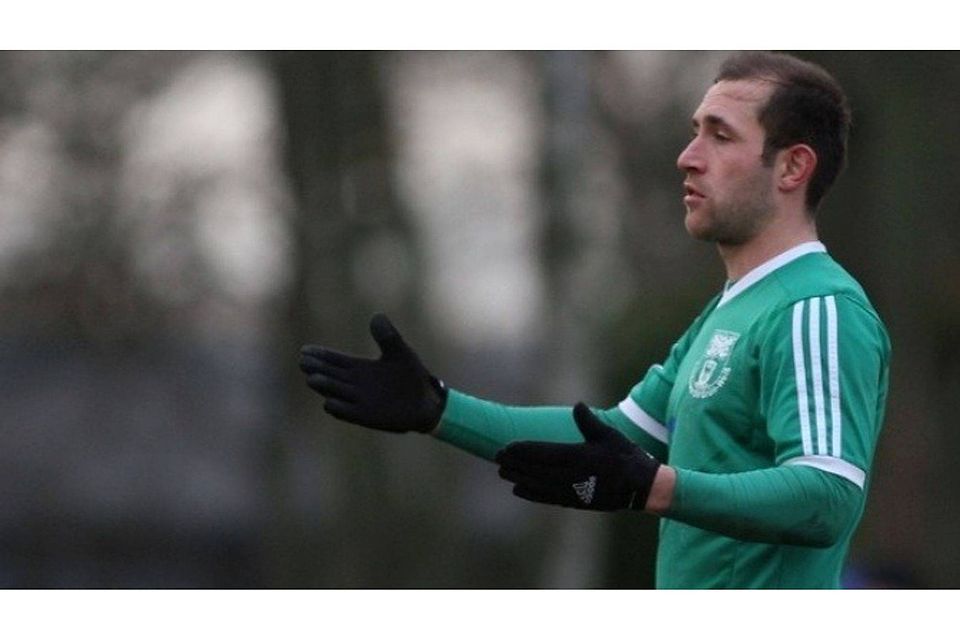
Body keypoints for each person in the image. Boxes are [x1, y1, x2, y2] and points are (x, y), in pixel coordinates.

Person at [298, 51, 891, 589]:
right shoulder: (730, 309)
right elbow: (616, 438)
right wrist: (439, 409)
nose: (687, 157)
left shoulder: (816, 309)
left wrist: (655, 487)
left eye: (720, 136)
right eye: (693, 133)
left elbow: (828, 492)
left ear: (792, 168)